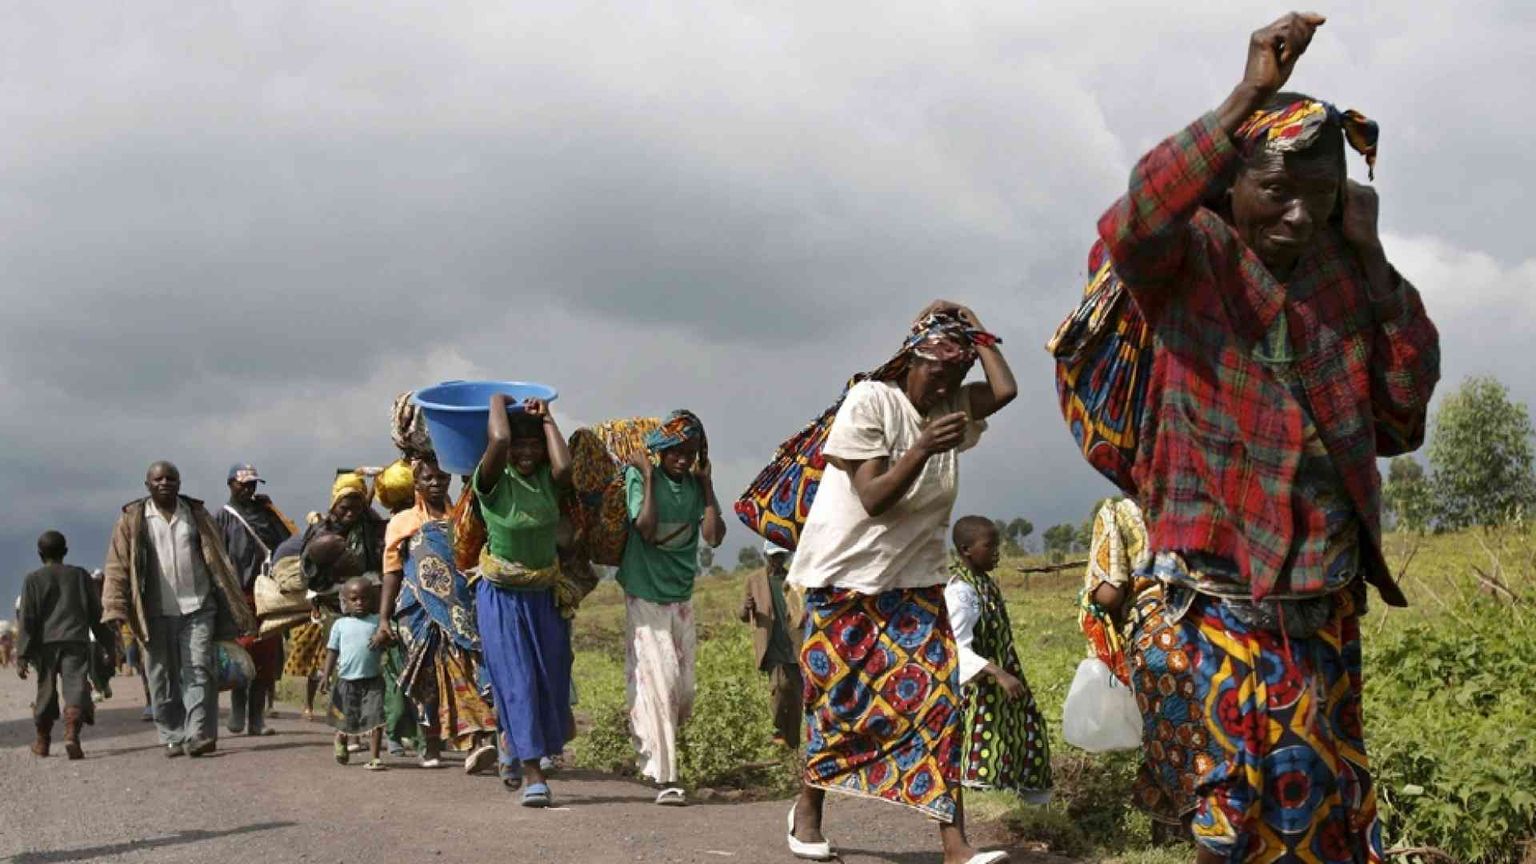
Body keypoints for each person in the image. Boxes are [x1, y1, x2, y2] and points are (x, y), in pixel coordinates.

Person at [1089, 14, 1440, 861]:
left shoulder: (1345, 270)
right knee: (1226, 806)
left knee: (1324, 803)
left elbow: (1402, 414)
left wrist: (1376, 258)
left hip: (1321, 595)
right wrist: (1249, 91)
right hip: (1210, 592)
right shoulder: (1189, 256)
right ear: (1230, 183)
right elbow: (1131, 220)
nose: (1296, 213)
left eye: (1318, 194)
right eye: (1277, 190)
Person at [786, 303, 1015, 864]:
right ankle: (808, 810)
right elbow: (873, 498)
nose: (947, 383)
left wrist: (976, 325)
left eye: (957, 374)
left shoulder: (951, 406)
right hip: (844, 583)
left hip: (914, 586)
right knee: (837, 706)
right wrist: (921, 447)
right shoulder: (872, 400)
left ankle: (954, 845)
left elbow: (1005, 390)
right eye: (938, 370)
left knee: (939, 706)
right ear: (911, 359)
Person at [472, 394, 598, 807]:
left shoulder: (547, 479)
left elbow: (564, 466)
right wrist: (498, 400)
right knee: (519, 681)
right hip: (503, 597)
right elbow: (500, 442)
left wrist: (547, 417)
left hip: (544, 594)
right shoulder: (491, 480)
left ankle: (511, 743)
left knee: (551, 679)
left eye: (533, 446)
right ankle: (533, 773)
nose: (526, 452)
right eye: (519, 446)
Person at [102, 461, 257, 758]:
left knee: (199, 668)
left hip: (198, 607)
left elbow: (219, 558)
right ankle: (172, 733)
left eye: (171, 478)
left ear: (179, 482)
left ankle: (198, 733)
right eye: (158, 479)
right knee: (161, 674)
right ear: (147, 485)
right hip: (153, 612)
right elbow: (117, 566)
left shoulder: (196, 515)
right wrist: (115, 607)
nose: (165, 483)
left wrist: (233, 600)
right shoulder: (132, 520)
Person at [617, 409, 727, 806]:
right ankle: (666, 778)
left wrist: (709, 487)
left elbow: (713, 537)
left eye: (690, 452)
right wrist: (646, 475)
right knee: (659, 682)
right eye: (676, 451)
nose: (682, 459)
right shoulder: (641, 478)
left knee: (683, 689)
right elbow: (645, 528)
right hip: (645, 594)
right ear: (661, 451)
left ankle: (653, 755)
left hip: (680, 595)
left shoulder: (697, 486)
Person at [375, 459, 498, 772]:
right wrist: (383, 618)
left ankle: (480, 740)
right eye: (428, 478)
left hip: (458, 608)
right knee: (427, 678)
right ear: (416, 484)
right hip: (417, 611)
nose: (435, 483)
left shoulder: (462, 516)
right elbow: (391, 572)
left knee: (466, 670)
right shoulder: (402, 522)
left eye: (441, 477)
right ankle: (430, 743)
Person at [944, 516, 1050, 806]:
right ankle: (985, 807)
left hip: (1002, 685)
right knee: (986, 745)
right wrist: (997, 673)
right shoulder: (961, 591)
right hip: (979, 690)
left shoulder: (984, 584)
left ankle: (1030, 809)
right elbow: (955, 647)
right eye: (989, 546)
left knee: (1025, 734)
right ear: (966, 550)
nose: (996, 552)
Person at [282, 473, 385, 721]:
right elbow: (307, 575)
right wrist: (323, 556)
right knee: (345, 663)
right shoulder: (321, 530)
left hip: (370, 607)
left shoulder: (370, 527)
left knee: (372, 662)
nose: (351, 513)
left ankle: (370, 717)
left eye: (357, 507)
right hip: (335, 609)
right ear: (334, 505)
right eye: (345, 507)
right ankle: (348, 721)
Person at [17, 531, 118, 759]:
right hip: (75, 641)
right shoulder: (80, 576)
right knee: (76, 688)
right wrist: (108, 644)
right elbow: (95, 612)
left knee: (45, 692)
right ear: (65, 552)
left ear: (40, 554)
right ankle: (72, 734)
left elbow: (28, 618)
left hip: (46, 645)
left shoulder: (33, 580)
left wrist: (22, 654)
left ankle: (42, 742)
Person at [213, 463, 295, 737]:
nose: (248, 489)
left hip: (267, 595)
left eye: (253, 484)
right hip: (237, 596)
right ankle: (237, 708)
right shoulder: (221, 518)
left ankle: (256, 718)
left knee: (265, 655)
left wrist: (273, 510)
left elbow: (289, 542)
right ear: (231, 485)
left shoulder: (266, 514)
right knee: (241, 652)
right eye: (243, 484)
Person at [739, 540, 803, 748]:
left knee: (795, 697)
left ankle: (792, 742)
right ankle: (777, 731)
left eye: (781, 557)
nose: (777, 561)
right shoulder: (754, 580)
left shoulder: (793, 580)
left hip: (794, 644)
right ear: (766, 556)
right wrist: (746, 608)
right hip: (771, 643)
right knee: (779, 686)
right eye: (774, 557)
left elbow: (801, 611)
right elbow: (743, 615)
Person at [320, 576, 388, 771]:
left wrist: (382, 637)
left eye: (364, 598)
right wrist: (326, 675)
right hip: (346, 681)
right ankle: (341, 739)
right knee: (346, 718)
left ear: (372, 600)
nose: (359, 603)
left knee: (376, 718)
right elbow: (332, 651)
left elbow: (390, 638)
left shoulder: (377, 622)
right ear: (345, 602)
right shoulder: (340, 625)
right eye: (354, 599)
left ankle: (375, 757)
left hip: (373, 680)